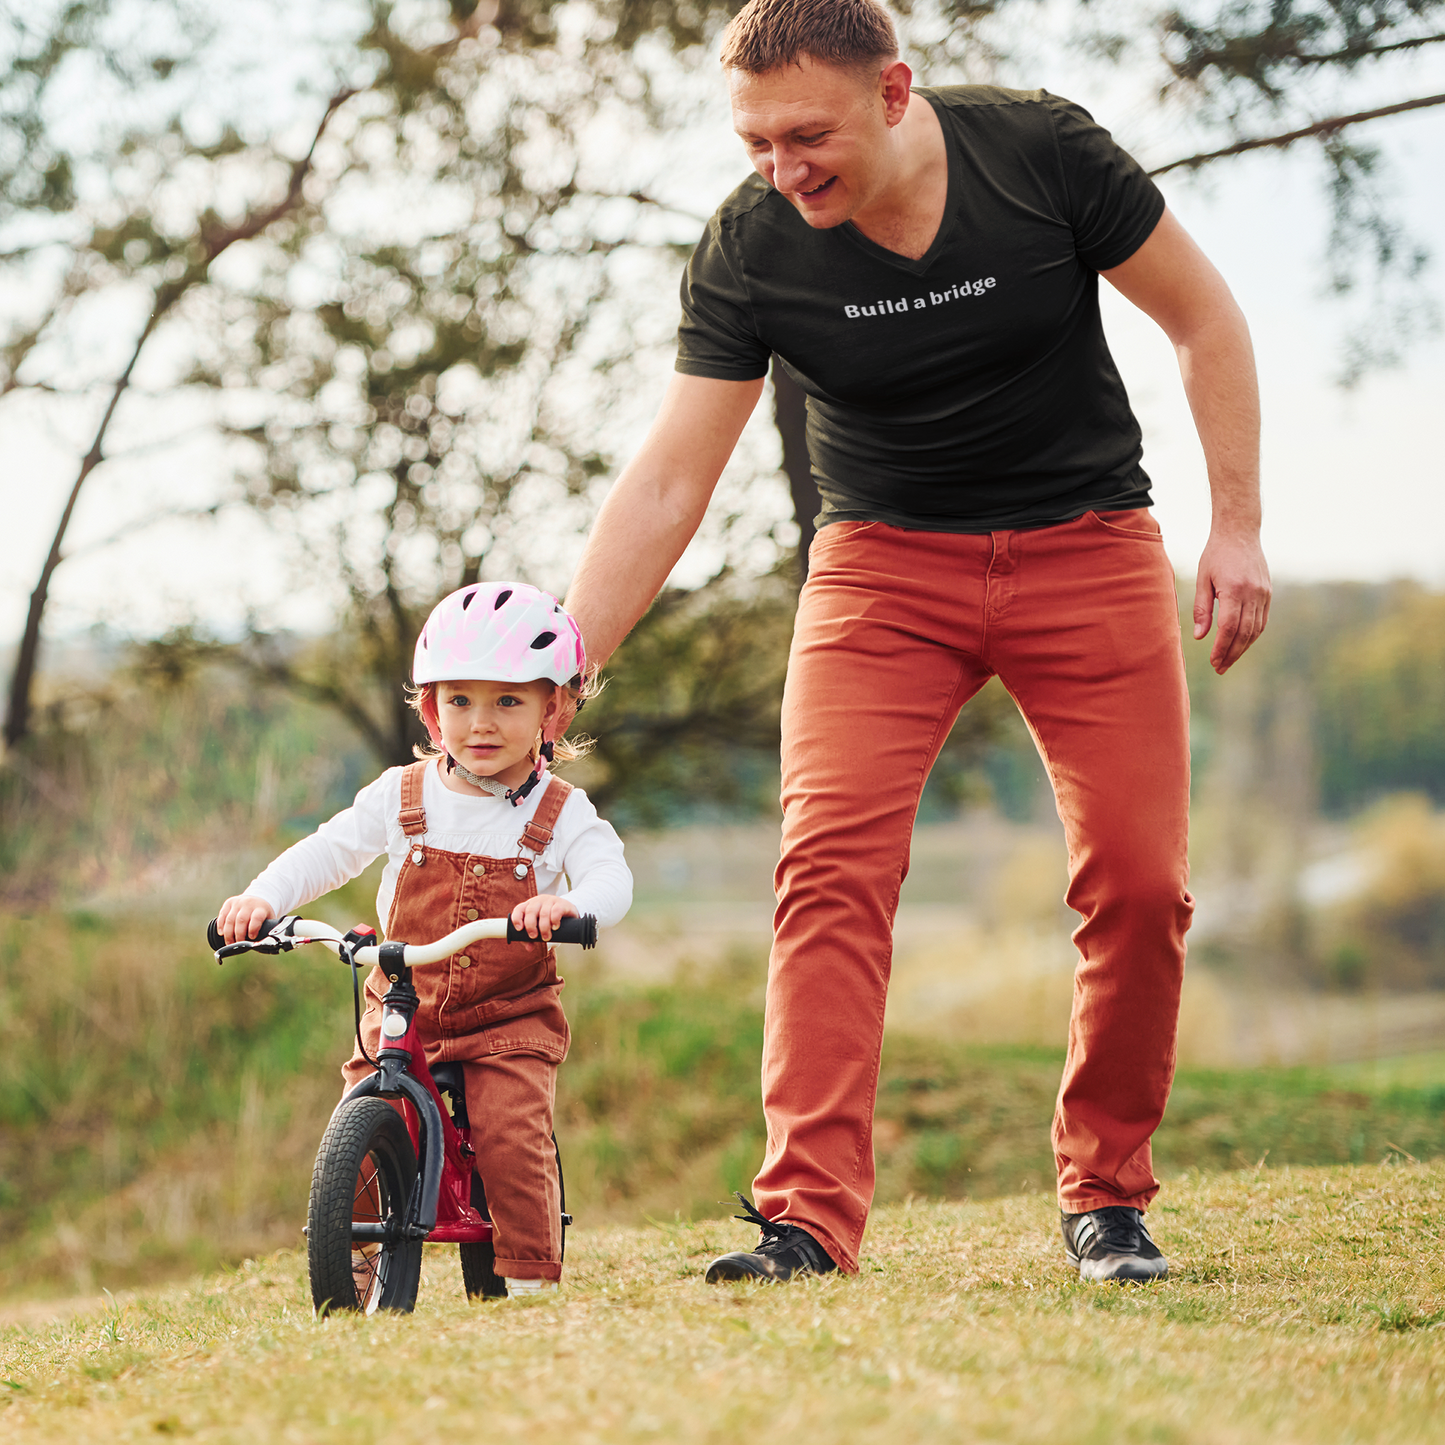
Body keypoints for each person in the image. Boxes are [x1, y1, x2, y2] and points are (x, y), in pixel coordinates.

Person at [563, 0, 1270, 1285]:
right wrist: (569, 659)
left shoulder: (1040, 155)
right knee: (827, 869)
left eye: (806, 136)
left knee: (1135, 879)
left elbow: (1203, 319)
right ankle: (804, 1218)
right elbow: (673, 477)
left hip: (1084, 542)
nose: (782, 170)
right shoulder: (750, 249)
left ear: (894, 92)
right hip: (882, 568)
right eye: (755, 145)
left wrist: (1235, 528)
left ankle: (1106, 1197)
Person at [217, 583, 632, 1299]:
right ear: (431, 708)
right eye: (460, 699)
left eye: (508, 701)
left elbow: (610, 875)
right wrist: (263, 899)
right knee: (361, 1124)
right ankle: (348, 1269)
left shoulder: (558, 809)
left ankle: (528, 1275)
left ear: (553, 710)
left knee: (508, 1133)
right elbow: (328, 850)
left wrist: (567, 903)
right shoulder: (401, 795)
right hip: (401, 1003)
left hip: (508, 1017)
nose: (481, 721)